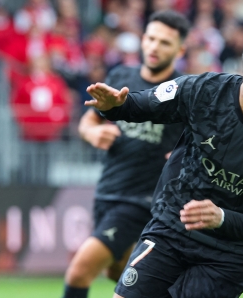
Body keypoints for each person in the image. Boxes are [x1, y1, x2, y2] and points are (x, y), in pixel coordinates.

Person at [85, 29, 243, 298]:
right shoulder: (203, 92)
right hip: (172, 228)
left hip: (231, 256)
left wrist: (221, 218)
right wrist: (113, 107)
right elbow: (141, 104)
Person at [62, 10, 190, 298]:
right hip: (108, 191)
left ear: (180, 50)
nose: (155, 47)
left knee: (80, 270)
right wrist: (92, 132)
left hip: (143, 200)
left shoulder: (183, 91)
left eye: (165, 43)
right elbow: (90, 120)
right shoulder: (121, 75)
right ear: (142, 40)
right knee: (117, 273)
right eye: (152, 38)